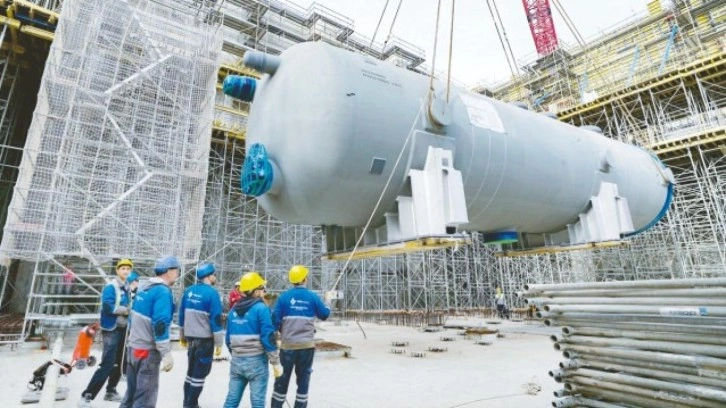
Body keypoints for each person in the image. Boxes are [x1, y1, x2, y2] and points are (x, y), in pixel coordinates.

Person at [120, 256, 179, 408]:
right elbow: (160, 324)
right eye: (176, 271)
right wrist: (166, 353)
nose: (177, 274)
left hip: (133, 349)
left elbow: (133, 318)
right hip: (147, 352)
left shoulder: (145, 288)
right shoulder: (162, 292)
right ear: (169, 272)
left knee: (131, 395)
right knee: (144, 400)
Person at [271, 265, 331, 408]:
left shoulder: (284, 297)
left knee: (282, 380)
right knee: (303, 381)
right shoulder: (312, 297)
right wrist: (328, 302)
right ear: (304, 279)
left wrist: (278, 333)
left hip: (287, 347)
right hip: (306, 347)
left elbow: (274, 321)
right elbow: (324, 315)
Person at [77, 259, 133, 407]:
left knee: (120, 361)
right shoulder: (111, 286)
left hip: (122, 328)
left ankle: (111, 391)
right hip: (111, 329)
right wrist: (125, 310)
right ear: (117, 271)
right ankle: (87, 396)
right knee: (108, 363)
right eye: (123, 268)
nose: (125, 271)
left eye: (128, 269)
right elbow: (108, 306)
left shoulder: (126, 287)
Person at [223, 272, 281, 408]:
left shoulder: (233, 311)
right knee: (258, 402)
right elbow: (268, 337)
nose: (264, 291)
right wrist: (275, 362)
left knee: (231, 400)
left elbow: (228, 339)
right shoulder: (261, 309)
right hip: (257, 362)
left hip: (237, 361)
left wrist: (237, 354)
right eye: (262, 288)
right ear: (255, 291)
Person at [179, 263, 224, 408]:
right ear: (209, 276)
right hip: (205, 340)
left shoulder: (189, 291)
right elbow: (216, 320)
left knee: (190, 372)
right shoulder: (212, 294)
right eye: (214, 274)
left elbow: (181, 315)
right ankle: (191, 405)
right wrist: (219, 343)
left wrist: (182, 336)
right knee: (200, 374)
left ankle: (187, 402)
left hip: (191, 339)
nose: (215, 277)